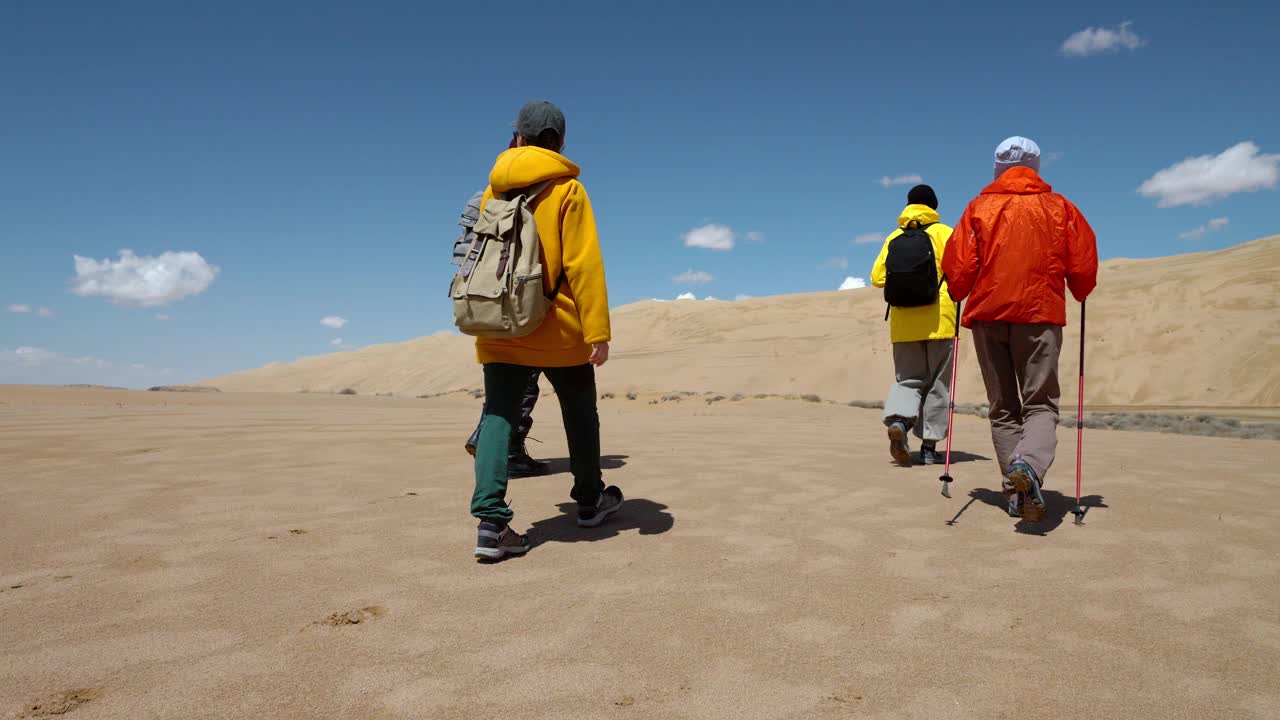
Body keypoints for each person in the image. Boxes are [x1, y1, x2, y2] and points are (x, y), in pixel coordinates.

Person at [471, 100, 622, 560]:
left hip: (498, 323)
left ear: (516, 137)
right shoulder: (568, 190)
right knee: (580, 414)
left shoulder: (490, 192)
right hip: (558, 328)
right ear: (558, 142)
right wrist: (597, 329)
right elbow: (583, 263)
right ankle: (590, 501)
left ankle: (492, 524)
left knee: (498, 415)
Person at [941, 137, 1098, 521]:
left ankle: (1016, 493)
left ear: (996, 167)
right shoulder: (1061, 207)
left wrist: (961, 289)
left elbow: (958, 271)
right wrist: (1079, 289)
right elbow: (1083, 269)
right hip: (1040, 315)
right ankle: (1028, 466)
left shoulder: (978, 208)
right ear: (1037, 166)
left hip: (987, 316)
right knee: (1040, 403)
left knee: (1003, 408)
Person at [454, 172, 549, 477]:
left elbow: (462, 254)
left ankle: (493, 441)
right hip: (516, 301)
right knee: (524, 379)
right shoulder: (534, 196)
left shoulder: (482, 197)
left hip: (479, 300)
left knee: (502, 382)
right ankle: (507, 450)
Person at [870, 184, 957, 466]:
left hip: (904, 322)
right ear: (934, 206)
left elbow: (877, 277)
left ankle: (900, 423)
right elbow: (964, 270)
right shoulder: (945, 233)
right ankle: (929, 447)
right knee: (937, 385)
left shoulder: (894, 236)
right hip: (939, 320)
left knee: (908, 380)